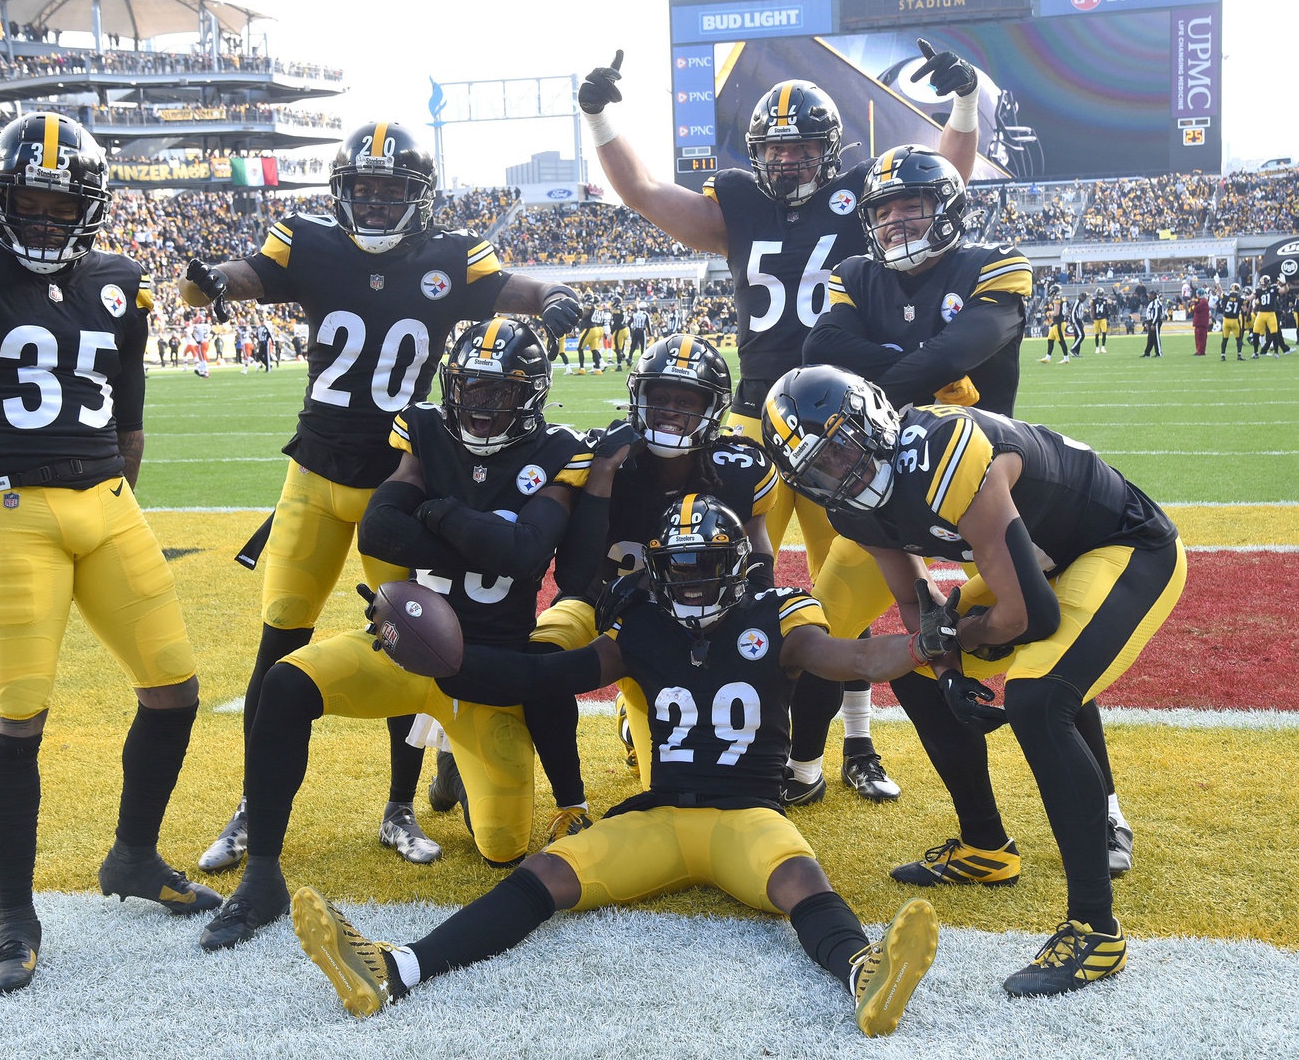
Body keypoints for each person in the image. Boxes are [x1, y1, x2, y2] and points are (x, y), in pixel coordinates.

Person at [293, 494, 961, 1037]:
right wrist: (450, 662)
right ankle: (396, 967)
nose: (692, 579)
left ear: (735, 564)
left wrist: (924, 644)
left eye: (705, 565)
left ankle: (864, 971)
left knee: (799, 877)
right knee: (546, 871)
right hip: (662, 816)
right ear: (659, 568)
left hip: (749, 815)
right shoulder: (643, 625)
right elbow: (546, 674)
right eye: (680, 566)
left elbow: (860, 661)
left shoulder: (779, 618)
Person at [0, 111, 220, 995]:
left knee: (174, 689)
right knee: (17, 718)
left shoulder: (119, 280)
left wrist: (123, 491)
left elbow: (129, 409)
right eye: (27, 199)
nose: (42, 218)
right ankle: (15, 914)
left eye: (61, 204)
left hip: (107, 501)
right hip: (16, 510)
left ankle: (133, 855)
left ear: (90, 209)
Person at [577, 42, 983, 801]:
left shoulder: (864, 202)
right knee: (717, 569)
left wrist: (961, 107)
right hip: (754, 420)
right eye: (775, 147)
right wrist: (598, 114)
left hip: (842, 428)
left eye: (801, 147)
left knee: (850, 591)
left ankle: (857, 743)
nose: (789, 160)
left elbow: (943, 173)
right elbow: (640, 190)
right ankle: (689, 716)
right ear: (756, 153)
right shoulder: (737, 205)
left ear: (830, 151)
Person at [177, 122, 583, 873]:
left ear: (416, 198)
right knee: (281, 639)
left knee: (413, 637)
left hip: (401, 478)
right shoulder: (308, 242)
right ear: (341, 193)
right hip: (314, 476)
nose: (373, 202)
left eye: (389, 189)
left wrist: (556, 293)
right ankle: (251, 805)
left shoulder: (449, 256)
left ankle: (397, 806)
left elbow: (520, 288)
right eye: (362, 189)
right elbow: (246, 273)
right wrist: (215, 281)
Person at [762, 365, 1186, 997]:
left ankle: (1096, 929)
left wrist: (951, 643)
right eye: (821, 468)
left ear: (873, 419)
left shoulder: (944, 452)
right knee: (918, 672)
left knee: (1042, 700)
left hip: (1120, 544)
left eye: (844, 448)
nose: (841, 473)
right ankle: (986, 845)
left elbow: (1028, 616)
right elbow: (913, 602)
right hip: (1038, 559)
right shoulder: (853, 511)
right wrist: (943, 665)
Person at [196, 318, 601, 951]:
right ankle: (263, 874)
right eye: (468, 388)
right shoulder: (427, 430)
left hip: (489, 667)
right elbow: (380, 531)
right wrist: (481, 536)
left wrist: (438, 513)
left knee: (503, 849)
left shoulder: (560, 450)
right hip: (403, 647)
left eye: (496, 391)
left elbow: (524, 557)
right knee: (285, 683)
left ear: (530, 392)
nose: (478, 405)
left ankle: (456, 767)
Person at [797, 143, 1030, 804]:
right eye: (885, 208)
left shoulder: (994, 264)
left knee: (1049, 640)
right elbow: (822, 348)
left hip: (985, 485)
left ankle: (1102, 810)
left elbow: (964, 346)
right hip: (887, 491)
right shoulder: (855, 273)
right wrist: (920, 364)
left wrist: (890, 371)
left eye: (912, 204)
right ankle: (801, 765)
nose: (896, 219)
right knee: (826, 622)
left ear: (948, 208)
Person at [531, 333, 779, 788]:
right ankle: (570, 800)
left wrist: (759, 605)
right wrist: (604, 475)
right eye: (660, 397)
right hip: (596, 603)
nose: (669, 410)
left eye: (686, 401)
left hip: (684, 620)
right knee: (541, 654)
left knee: (671, 782)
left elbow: (758, 548)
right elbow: (573, 568)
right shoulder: (601, 456)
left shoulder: (739, 467)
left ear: (713, 409)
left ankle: (636, 714)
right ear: (638, 397)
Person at [1038, 284, 1068, 364]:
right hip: (1058, 322)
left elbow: (1056, 313)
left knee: (1061, 341)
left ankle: (1066, 358)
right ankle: (1048, 357)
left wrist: (1049, 313)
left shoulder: (1057, 298)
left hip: (1059, 322)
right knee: (1050, 340)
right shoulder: (1062, 298)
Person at [1218, 283, 1244, 360]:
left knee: (1225, 339)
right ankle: (1239, 355)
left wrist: (1218, 283)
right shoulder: (1240, 299)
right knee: (1239, 339)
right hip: (1235, 321)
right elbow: (1245, 304)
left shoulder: (1226, 297)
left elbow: (1220, 292)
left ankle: (1223, 355)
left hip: (1226, 320)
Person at [1141, 291, 1166, 358]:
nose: (1148, 296)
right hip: (1151, 321)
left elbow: (1156, 314)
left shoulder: (1155, 302)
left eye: (1149, 294)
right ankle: (1147, 353)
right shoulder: (1153, 302)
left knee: (1156, 337)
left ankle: (1159, 353)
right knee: (1151, 338)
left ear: (1153, 295)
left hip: (1155, 321)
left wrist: (1153, 323)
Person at [1090, 287, 1113, 354]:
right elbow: (1092, 310)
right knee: (1098, 334)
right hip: (1097, 319)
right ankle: (1098, 347)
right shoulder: (1102, 300)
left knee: (1103, 333)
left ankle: (1101, 347)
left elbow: (1107, 309)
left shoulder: (1095, 300)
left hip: (1101, 318)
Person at [1191, 286, 1210, 356]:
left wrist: (1192, 303)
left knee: (1201, 338)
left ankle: (1201, 351)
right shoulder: (1202, 301)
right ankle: (1198, 350)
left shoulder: (1204, 302)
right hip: (1199, 323)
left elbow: (1195, 308)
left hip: (1201, 323)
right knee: (1198, 338)